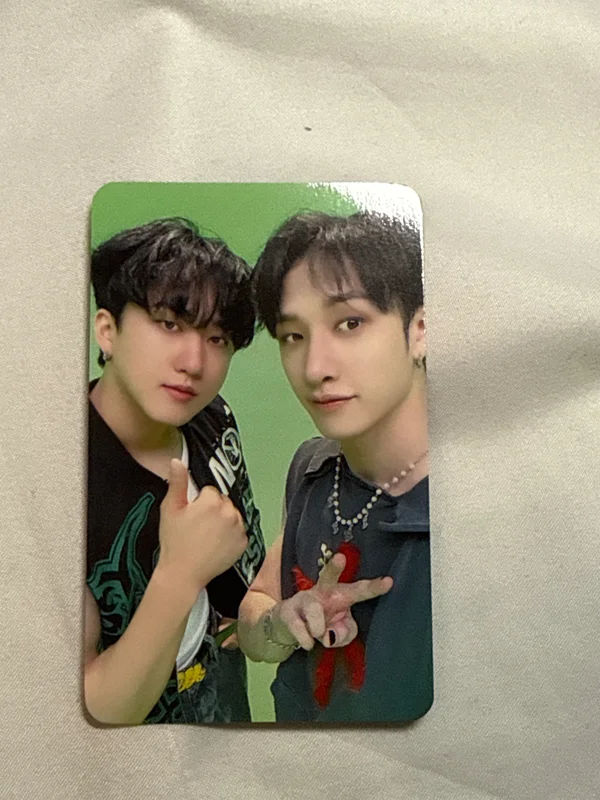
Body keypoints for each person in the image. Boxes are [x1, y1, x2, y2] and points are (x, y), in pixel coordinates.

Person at [237, 210, 432, 722]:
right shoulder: (314, 466)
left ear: (419, 330)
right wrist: (282, 624)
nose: (315, 368)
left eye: (350, 323)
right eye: (292, 336)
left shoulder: (478, 504)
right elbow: (255, 611)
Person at [85, 218, 266, 725]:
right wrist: (180, 573)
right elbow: (97, 708)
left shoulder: (213, 417)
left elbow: (238, 565)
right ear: (108, 330)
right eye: (169, 324)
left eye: (217, 338)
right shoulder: (61, 471)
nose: (194, 362)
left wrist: (266, 615)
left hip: (215, 679)